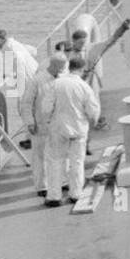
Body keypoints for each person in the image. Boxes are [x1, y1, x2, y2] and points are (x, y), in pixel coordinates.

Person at [45, 57, 100, 207]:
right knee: (77, 161)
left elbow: (46, 108)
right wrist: (94, 122)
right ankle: (75, 194)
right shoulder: (84, 86)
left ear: (69, 67)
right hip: (78, 129)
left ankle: (54, 196)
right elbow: (93, 110)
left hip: (58, 128)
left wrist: (48, 121)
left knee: (55, 161)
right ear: (82, 69)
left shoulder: (55, 84)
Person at [19, 56, 58, 198]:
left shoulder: (60, 79)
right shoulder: (36, 82)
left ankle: (61, 182)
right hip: (40, 126)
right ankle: (42, 186)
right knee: (40, 157)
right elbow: (26, 104)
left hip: (56, 125)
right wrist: (29, 122)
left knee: (58, 155)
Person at [0, 28, 39, 95]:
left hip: (29, 78)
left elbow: (18, 62)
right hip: (36, 71)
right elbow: (33, 51)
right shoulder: (13, 43)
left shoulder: (7, 49)